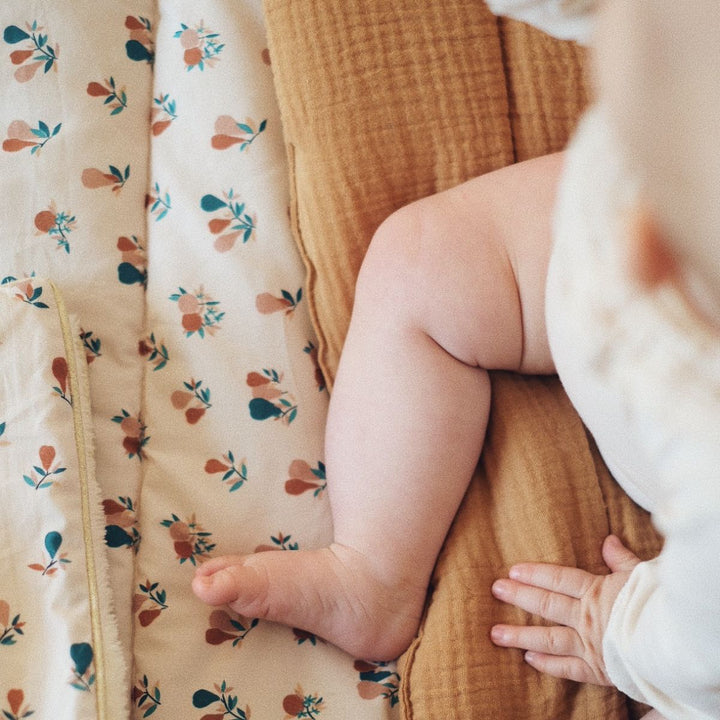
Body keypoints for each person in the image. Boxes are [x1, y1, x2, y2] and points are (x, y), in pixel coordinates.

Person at [192, 1, 720, 716]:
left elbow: (702, 642)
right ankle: (373, 569)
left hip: (677, 393)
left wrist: (624, 635)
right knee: (423, 262)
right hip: (653, 208)